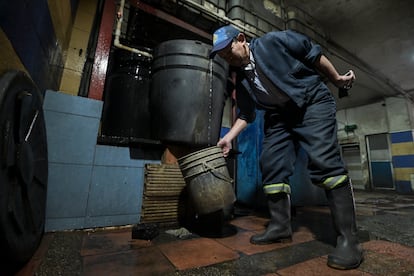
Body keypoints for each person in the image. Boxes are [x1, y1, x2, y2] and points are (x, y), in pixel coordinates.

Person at [209, 25, 363, 270]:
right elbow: (246, 114)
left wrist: (336, 80)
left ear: (241, 39)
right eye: (222, 55)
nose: (226, 57)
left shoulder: (274, 41)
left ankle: (349, 240)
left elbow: (313, 54)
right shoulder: (243, 78)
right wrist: (229, 138)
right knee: (271, 164)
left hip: (311, 104)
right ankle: (280, 227)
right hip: (280, 116)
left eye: (228, 51)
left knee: (325, 162)